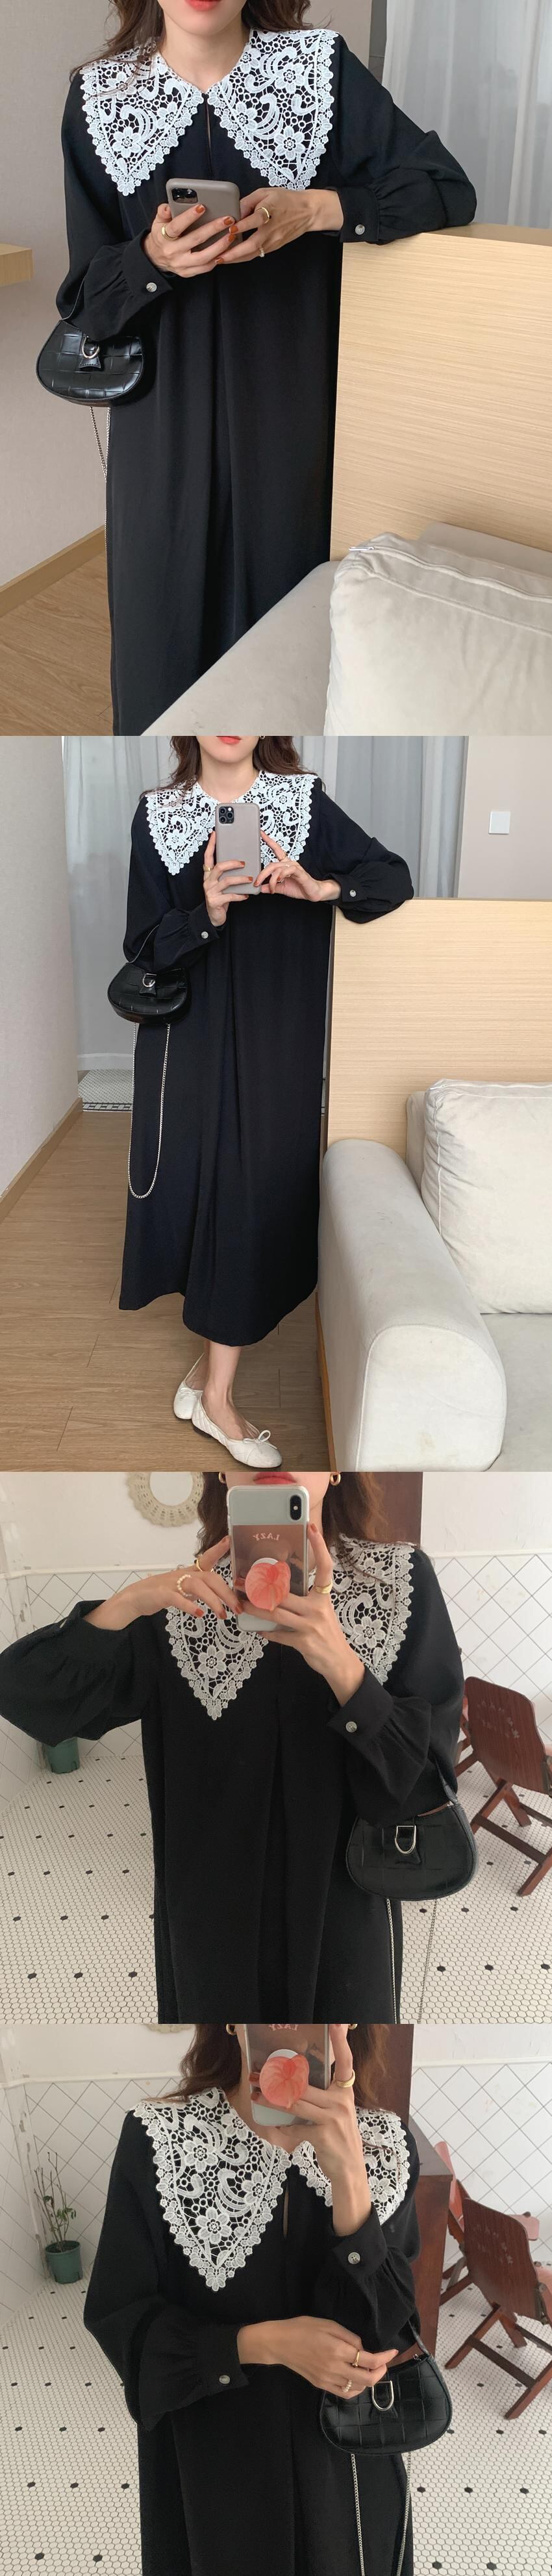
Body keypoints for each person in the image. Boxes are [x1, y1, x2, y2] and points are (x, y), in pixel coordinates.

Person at [55, 1, 477, 728]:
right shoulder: (101, 97)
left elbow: (446, 189)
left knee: (288, 652)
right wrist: (150, 260)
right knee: (159, 656)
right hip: (160, 437)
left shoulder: (319, 71)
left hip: (293, 422)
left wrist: (316, 210)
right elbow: (86, 304)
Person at [0, 1471, 464, 2019]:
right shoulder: (183, 1602)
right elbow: (27, 1695)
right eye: (254, 1440)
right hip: (211, 1918)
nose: (278, 1451)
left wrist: (344, 1668)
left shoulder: (398, 1583)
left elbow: (426, 1781)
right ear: (222, 1469)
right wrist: (129, 1602)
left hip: (346, 1906)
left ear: (336, 1466)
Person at [119, 731, 412, 1463]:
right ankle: (215, 1395)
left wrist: (322, 889)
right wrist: (206, 914)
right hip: (187, 1041)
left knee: (251, 1196)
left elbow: (391, 877)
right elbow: (142, 945)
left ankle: (210, 1388)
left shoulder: (302, 802)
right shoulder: (158, 813)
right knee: (199, 1192)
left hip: (276, 1041)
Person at [84, 2021, 421, 2576]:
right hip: (217, 2476)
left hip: (348, 2476)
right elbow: (122, 2322)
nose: (293, 2021)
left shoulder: (386, 2145)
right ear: (231, 2015)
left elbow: (389, 2333)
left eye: (321, 2006)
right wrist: (263, 2344)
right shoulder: (161, 2138)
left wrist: (350, 2179)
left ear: (350, 2021)